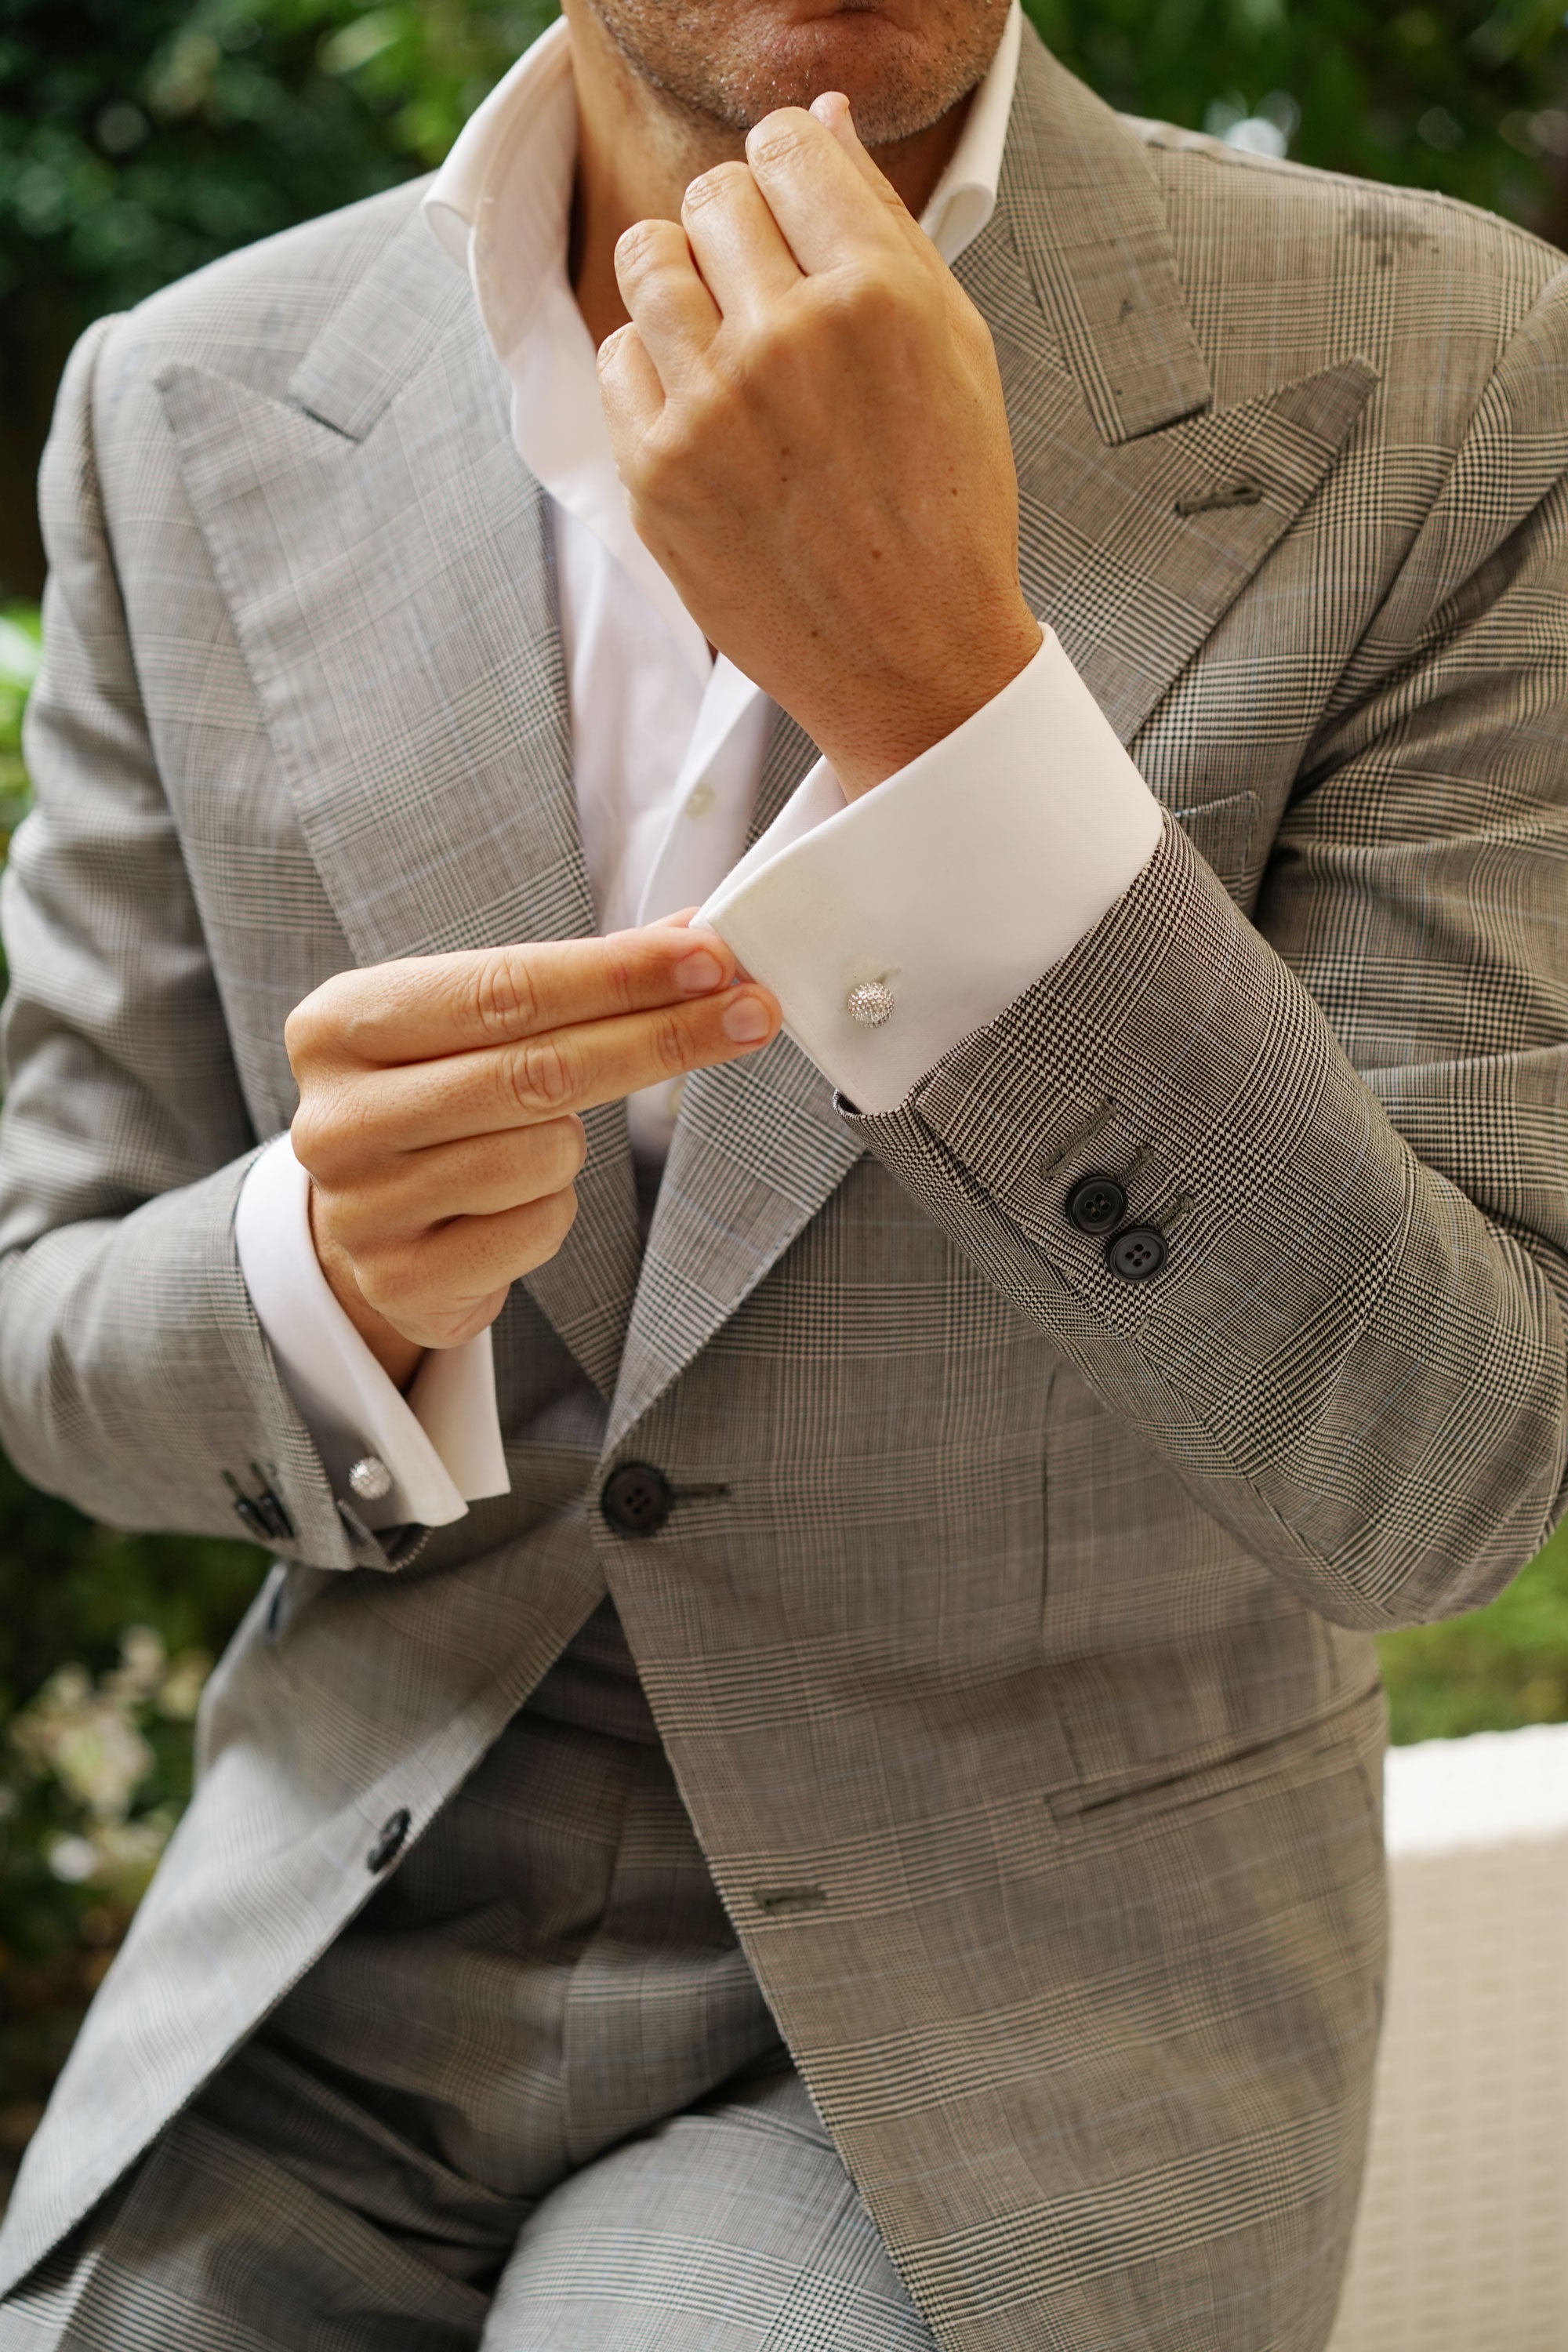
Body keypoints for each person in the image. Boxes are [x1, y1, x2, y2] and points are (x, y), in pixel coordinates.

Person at [0, 0, 1565, 2343]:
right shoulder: (177, 399)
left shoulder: (1460, 368)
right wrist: (316, 1272)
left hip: (997, 2017)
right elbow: (49, 1314)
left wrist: (954, 711)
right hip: (333, 1970)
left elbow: (1455, 1469)